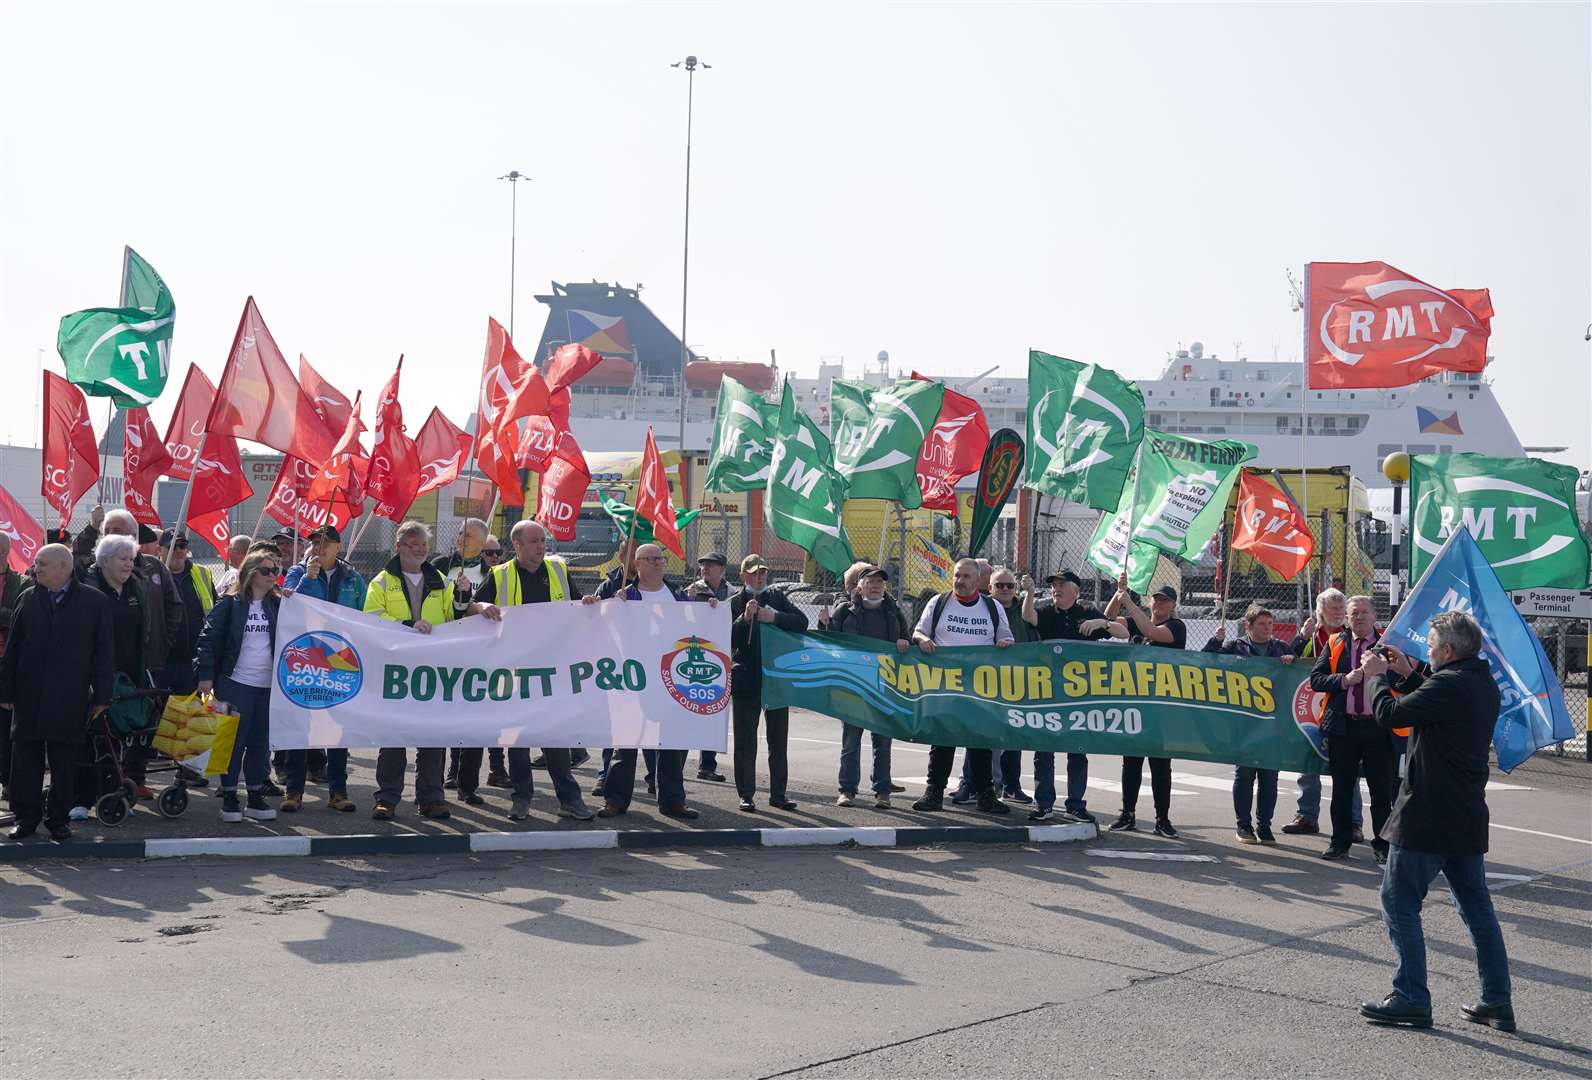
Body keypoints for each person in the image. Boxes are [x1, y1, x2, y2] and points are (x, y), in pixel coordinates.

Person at [1355, 611, 1514, 1032]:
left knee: (1399, 902)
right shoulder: (1479, 682)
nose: (1424, 650)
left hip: (1427, 814)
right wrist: (1407, 673)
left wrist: (1376, 677)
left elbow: (1393, 715)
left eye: (1429, 646)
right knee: (1477, 910)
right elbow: (1430, 704)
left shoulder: (1450, 683)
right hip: (1464, 814)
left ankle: (1410, 996)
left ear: (1447, 650)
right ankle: (1496, 999)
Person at [466, 519, 595, 822]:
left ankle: (570, 799)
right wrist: (482, 606)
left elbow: (577, 606)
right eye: (535, 542)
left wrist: (588, 603)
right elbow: (471, 605)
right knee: (518, 740)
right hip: (515, 671)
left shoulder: (559, 570)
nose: (541, 547)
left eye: (543, 541)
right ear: (518, 545)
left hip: (553, 669)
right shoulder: (500, 575)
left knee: (556, 737)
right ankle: (521, 798)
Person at [588, 542, 709, 820]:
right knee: (626, 743)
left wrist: (709, 609)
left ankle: (672, 801)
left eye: (660, 558)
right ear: (637, 564)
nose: (657, 562)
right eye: (651, 559)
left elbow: (697, 628)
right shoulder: (624, 598)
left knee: (671, 743)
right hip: (633, 680)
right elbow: (600, 628)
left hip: (669, 680)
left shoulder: (678, 596)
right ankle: (615, 800)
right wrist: (598, 606)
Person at [1, 545, 114, 841]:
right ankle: (26, 818)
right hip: (29, 696)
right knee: (25, 761)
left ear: (63, 567)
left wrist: (103, 695)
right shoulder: (27, 598)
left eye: (41, 564)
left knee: (64, 763)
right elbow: (13, 650)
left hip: (69, 696)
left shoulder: (94, 602)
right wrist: (6, 689)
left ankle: (58, 820)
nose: (34, 569)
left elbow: (104, 653)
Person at [364, 521, 460, 821]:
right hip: (396, 669)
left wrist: (466, 599)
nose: (419, 549)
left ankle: (431, 797)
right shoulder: (380, 582)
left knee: (433, 736)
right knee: (393, 736)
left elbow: (454, 616)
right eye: (413, 543)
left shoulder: (442, 580)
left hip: (433, 668)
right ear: (399, 546)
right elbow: (372, 619)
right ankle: (388, 798)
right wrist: (408, 626)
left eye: (423, 545)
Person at [910, 557, 1015, 814]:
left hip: (979, 687)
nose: (960, 581)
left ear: (978, 580)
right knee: (943, 741)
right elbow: (918, 632)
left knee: (979, 741)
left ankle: (985, 795)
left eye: (966, 576)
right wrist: (923, 640)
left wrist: (1004, 643)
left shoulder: (992, 607)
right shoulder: (939, 603)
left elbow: (1006, 636)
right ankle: (934, 792)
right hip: (945, 686)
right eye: (957, 575)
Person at [279, 524, 365, 812]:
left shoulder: (352, 577)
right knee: (300, 725)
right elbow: (286, 604)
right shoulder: (297, 571)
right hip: (304, 660)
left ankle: (338, 792)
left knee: (338, 729)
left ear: (338, 547)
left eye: (326, 542)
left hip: (340, 661)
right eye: (315, 542)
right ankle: (293, 791)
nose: (320, 547)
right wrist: (308, 578)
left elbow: (366, 615)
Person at [194, 547, 283, 823]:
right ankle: (230, 795)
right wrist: (205, 676)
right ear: (251, 574)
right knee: (233, 742)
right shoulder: (230, 603)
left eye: (276, 571)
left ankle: (256, 795)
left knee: (260, 742)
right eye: (267, 571)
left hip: (268, 685)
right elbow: (207, 640)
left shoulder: (278, 604)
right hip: (236, 682)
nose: (273, 576)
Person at [1029, 570, 1124, 823]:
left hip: (1078, 697)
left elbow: (1123, 634)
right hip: (1047, 692)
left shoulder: (1087, 611)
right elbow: (1029, 616)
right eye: (1053, 585)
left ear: (1076, 590)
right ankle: (1044, 804)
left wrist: (1102, 623)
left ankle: (1075, 805)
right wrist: (1028, 593)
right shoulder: (1046, 611)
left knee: (1077, 751)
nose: (1056, 589)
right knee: (1044, 751)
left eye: (1062, 585)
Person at [1310, 595, 1396, 863]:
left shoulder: (1388, 647)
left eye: (1363, 613)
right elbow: (1316, 679)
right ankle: (1340, 842)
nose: (1358, 617)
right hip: (1343, 727)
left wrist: (1380, 673)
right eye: (1353, 613)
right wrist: (1343, 680)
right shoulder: (1336, 642)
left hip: (1378, 728)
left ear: (1374, 616)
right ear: (1347, 619)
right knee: (1342, 789)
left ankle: (1383, 844)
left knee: (1381, 791)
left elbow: (1402, 680)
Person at [1206, 603, 1298, 845]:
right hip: (1244, 722)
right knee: (1244, 775)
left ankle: (1265, 825)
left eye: (1270, 624)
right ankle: (1243, 825)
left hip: (1273, 723)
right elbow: (1206, 662)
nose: (1267, 628)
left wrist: (1292, 659)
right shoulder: (1235, 646)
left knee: (1270, 776)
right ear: (1248, 626)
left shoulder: (1281, 648)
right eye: (1262, 624)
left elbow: (1296, 674)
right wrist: (1215, 642)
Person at [80, 534, 155, 819]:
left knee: (117, 737)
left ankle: (113, 796)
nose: (128, 564)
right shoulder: (89, 587)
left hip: (128, 674)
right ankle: (81, 799)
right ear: (105, 561)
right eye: (122, 559)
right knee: (91, 737)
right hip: (94, 674)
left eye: (131, 559)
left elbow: (143, 632)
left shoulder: (136, 588)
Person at [1104, 577, 1185, 837]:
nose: (1160, 604)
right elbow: (1108, 621)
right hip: (1136, 703)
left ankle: (1163, 818)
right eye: (1156, 599)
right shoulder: (1136, 623)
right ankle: (1127, 813)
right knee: (1131, 762)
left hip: (1161, 707)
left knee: (1160, 766)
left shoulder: (1177, 626)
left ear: (1173, 605)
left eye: (1165, 601)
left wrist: (1130, 603)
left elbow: (1152, 632)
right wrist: (1119, 596)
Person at [727, 554, 808, 812]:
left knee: (778, 740)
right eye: (753, 572)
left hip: (776, 678)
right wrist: (746, 619)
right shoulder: (733, 602)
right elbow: (729, 638)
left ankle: (778, 794)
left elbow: (801, 623)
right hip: (746, 678)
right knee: (745, 740)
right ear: (743, 576)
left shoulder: (777, 598)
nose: (759, 576)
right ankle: (746, 793)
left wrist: (773, 617)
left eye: (762, 572)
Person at [1284, 588, 1364, 838]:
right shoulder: (1311, 637)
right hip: (1309, 711)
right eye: (1334, 608)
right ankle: (1306, 816)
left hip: (1342, 710)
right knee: (1308, 763)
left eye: (1342, 609)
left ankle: (1353, 823)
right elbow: (1289, 659)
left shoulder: (1351, 637)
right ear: (1321, 611)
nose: (1339, 613)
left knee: (1348, 769)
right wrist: (1299, 639)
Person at [954, 567, 1037, 805]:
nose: (1005, 590)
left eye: (1010, 585)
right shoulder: (982, 608)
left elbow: (1033, 622)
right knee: (977, 737)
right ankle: (969, 785)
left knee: (1013, 736)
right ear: (989, 588)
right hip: (984, 681)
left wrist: (1030, 593)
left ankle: (1011, 786)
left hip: (1017, 682)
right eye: (999, 585)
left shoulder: (1023, 609)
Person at [828, 565, 907, 808]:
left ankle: (882, 791)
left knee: (882, 742)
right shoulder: (844, 611)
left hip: (884, 686)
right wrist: (824, 625)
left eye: (879, 583)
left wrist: (904, 641)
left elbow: (906, 637)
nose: (875, 586)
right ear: (859, 586)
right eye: (870, 582)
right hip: (852, 685)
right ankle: (847, 790)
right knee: (851, 742)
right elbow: (830, 642)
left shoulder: (893, 612)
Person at [681, 551, 730, 781]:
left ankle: (707, 766)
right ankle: (675, 766)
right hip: (692, 656)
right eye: (703, 565)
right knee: (685, 711)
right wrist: (687, 601)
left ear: (722, 569)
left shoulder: (732, 594)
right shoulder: (692, 592)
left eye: (711, 565)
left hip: (718, 659)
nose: (705, 569)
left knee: (712, 710)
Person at [161, 529, 215, 695]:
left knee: (192, 717)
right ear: (159, 550)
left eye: (182, 545)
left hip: (193, 660)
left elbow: (214, 612)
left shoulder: (202, 573)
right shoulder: (152, 574)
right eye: (172, 546)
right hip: (163, 662)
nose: (178, 550)